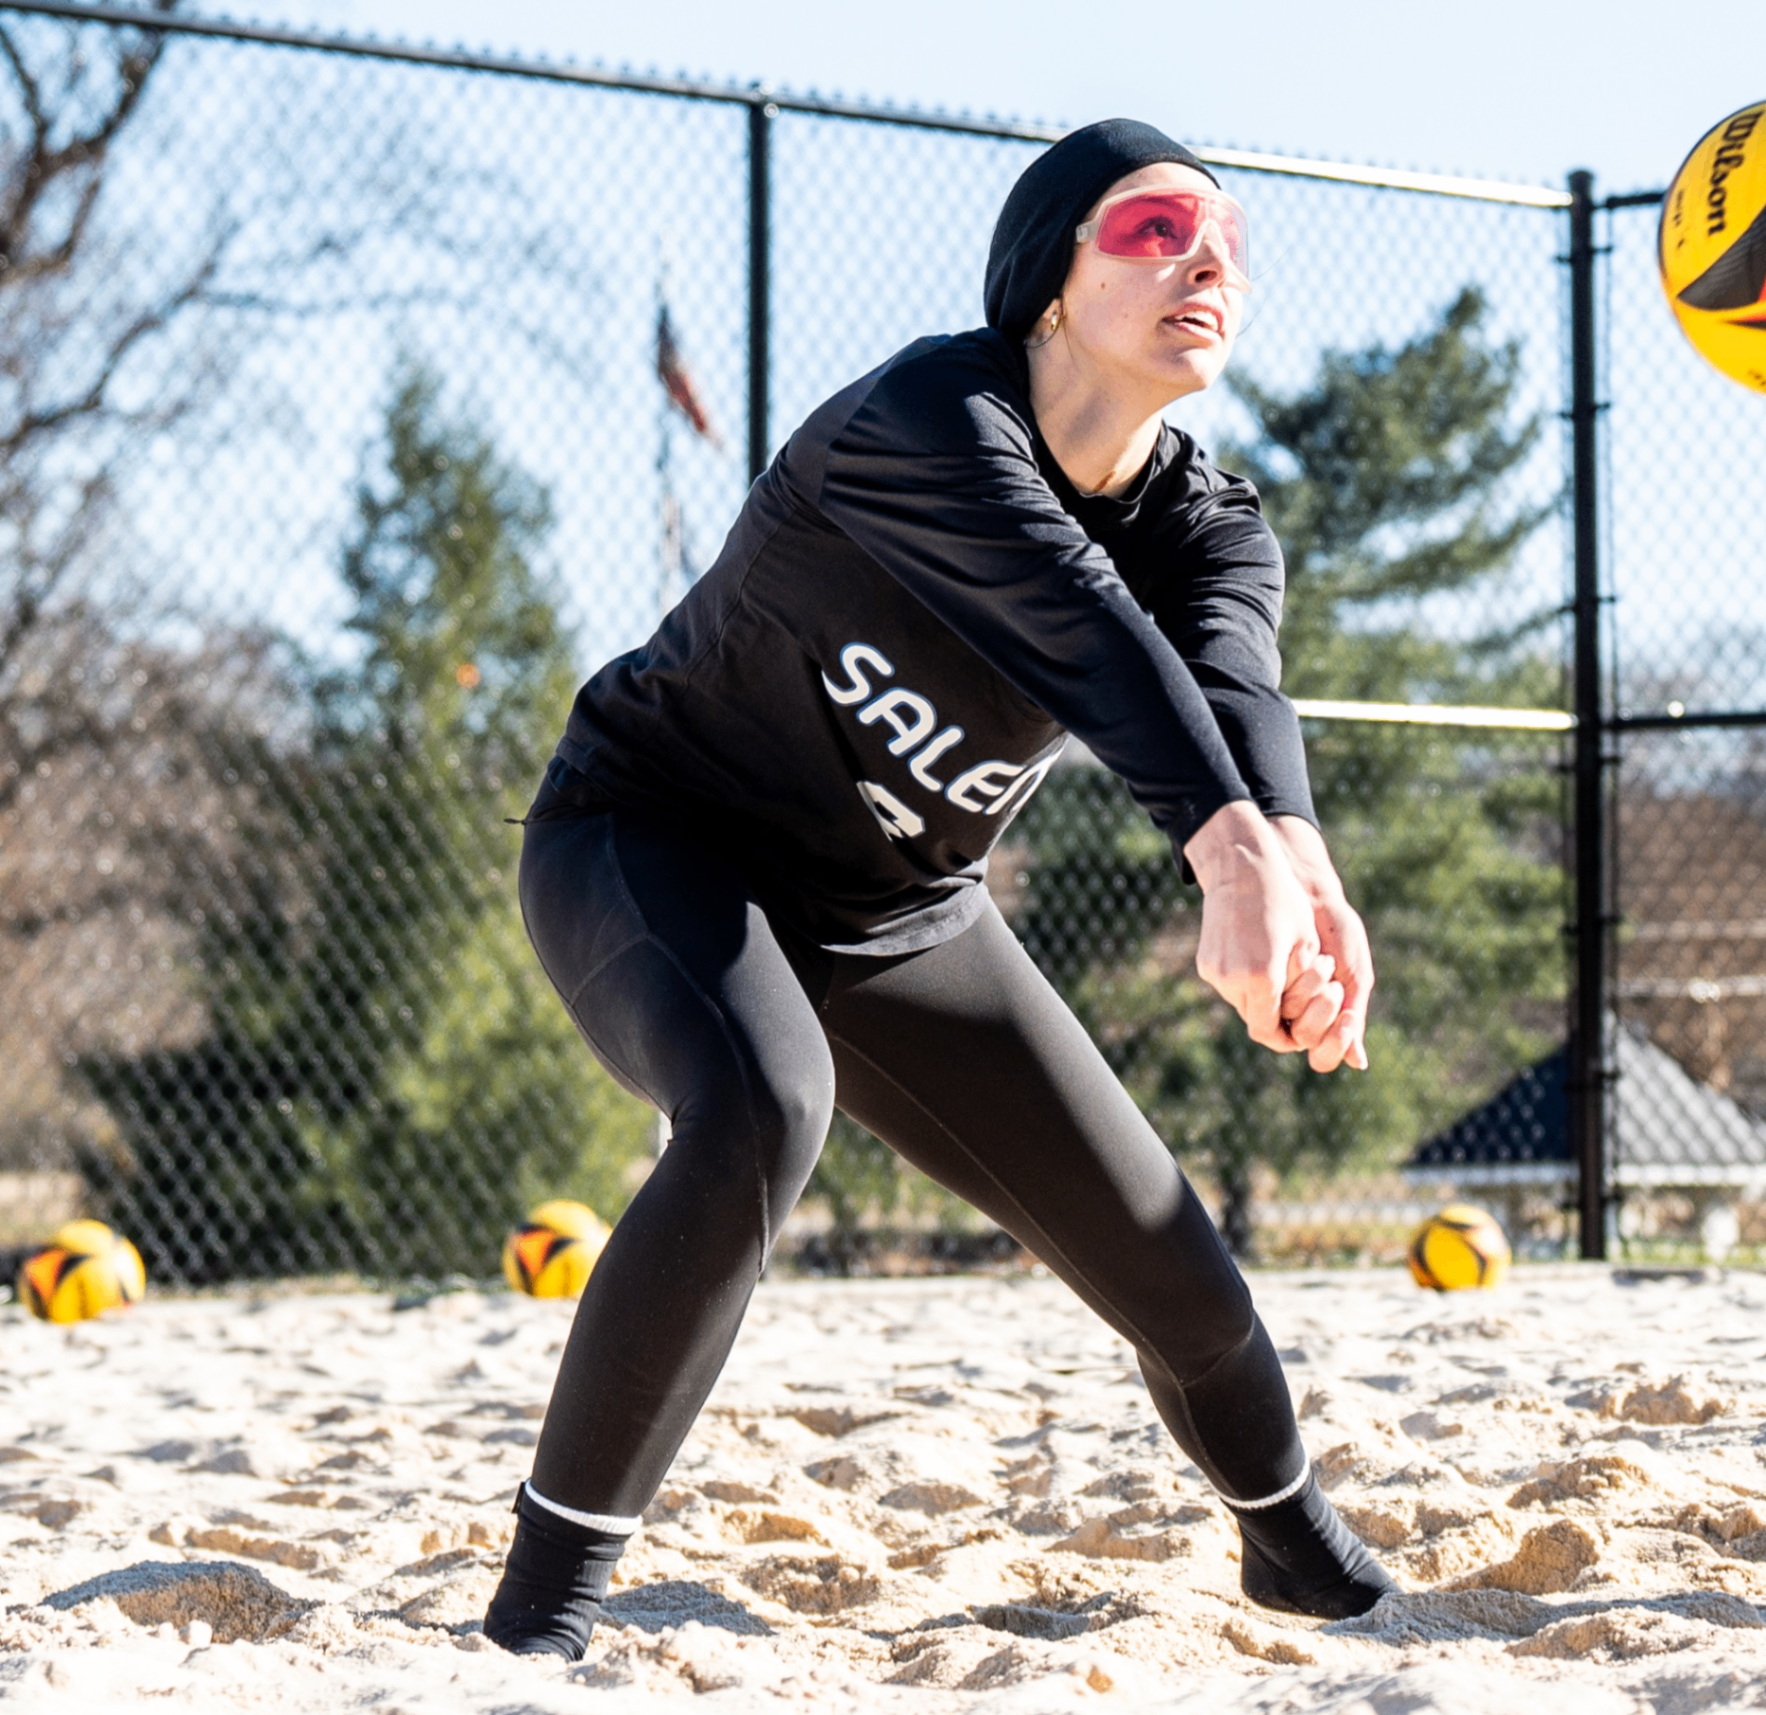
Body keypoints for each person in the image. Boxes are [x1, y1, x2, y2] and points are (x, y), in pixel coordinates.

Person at [478, 120, 1401, 1660]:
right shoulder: (925, 416)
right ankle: (542, 1606)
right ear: (1049, 279)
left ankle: (1292, 1542)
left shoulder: (1212, 521)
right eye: (1155, 226)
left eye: (1229, 245)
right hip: (651, 835)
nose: (1206, 261)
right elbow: (1085, 628)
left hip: (895, 909)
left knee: (1160, 1249)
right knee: (762, 1105)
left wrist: (1300, 864)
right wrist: (1230, 853)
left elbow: (1232, 689)